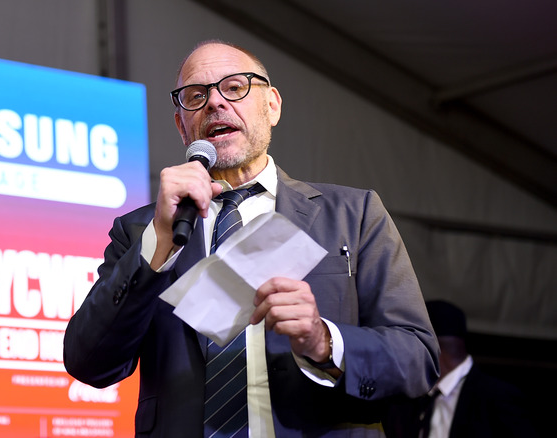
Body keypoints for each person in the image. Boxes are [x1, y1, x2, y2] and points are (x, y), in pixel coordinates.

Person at [63, 39, 439, 437]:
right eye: (196, 96)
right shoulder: (141, 230)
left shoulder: (353, 214)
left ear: (272, 106)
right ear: (181, 125)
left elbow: (418, 360)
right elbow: (89, 363)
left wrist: (324, 341)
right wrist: (158, 243)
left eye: (235, 87)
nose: (215, 103)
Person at [385, 300, 540, 438]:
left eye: (411, 345)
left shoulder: (497, 397)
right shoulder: (409, 398)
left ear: (430, 348)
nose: (405, 355)